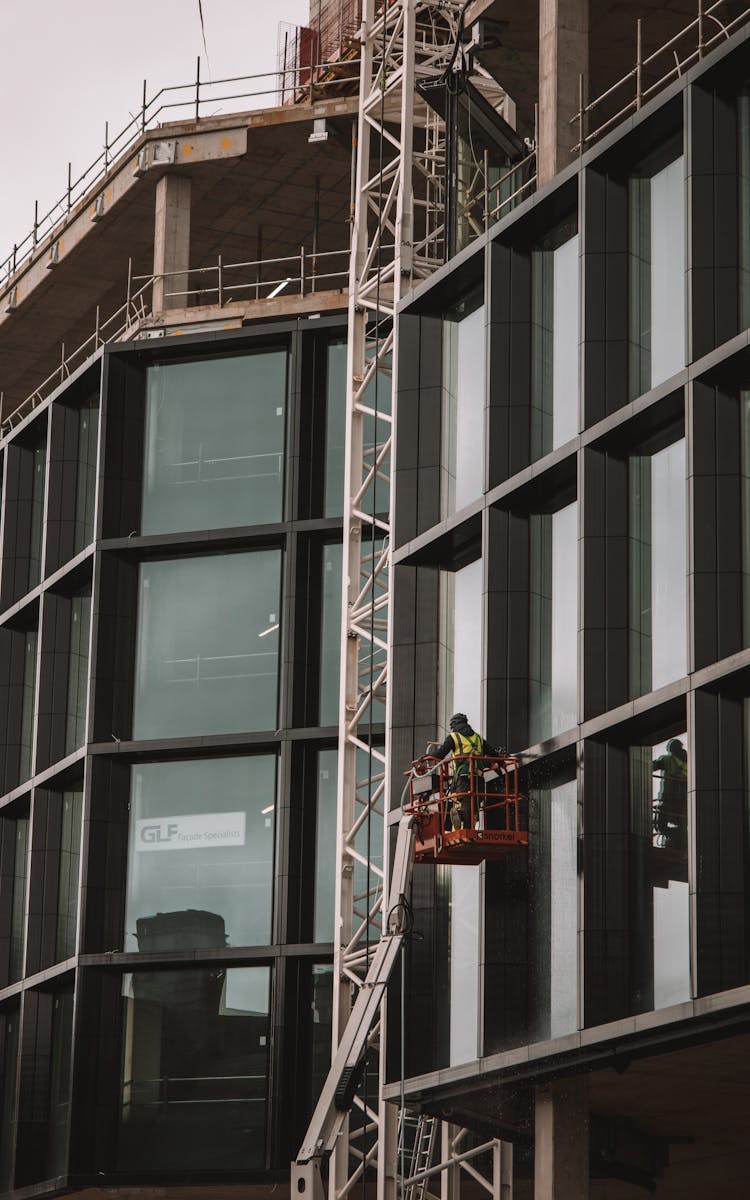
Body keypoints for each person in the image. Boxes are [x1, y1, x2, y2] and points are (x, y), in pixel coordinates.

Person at [428, 713, 499, 831]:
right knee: (474, 805)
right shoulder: (478, 738)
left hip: (463, 776)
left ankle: (461, 819)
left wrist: (426, 757)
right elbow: (492, 753)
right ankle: (466, 824)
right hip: (479, 777)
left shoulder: (454, 737)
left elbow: (440, 754)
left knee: (463, 801)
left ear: (454, 725)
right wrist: (500, 764)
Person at [652, 738, 687, 851]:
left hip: (669, 797)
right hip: (684, 800)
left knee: (660, 824)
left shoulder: (668, 759)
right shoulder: (689, 762)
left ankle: (675, 838)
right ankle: (679, 840)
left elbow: (653, 766)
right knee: (682, 824)